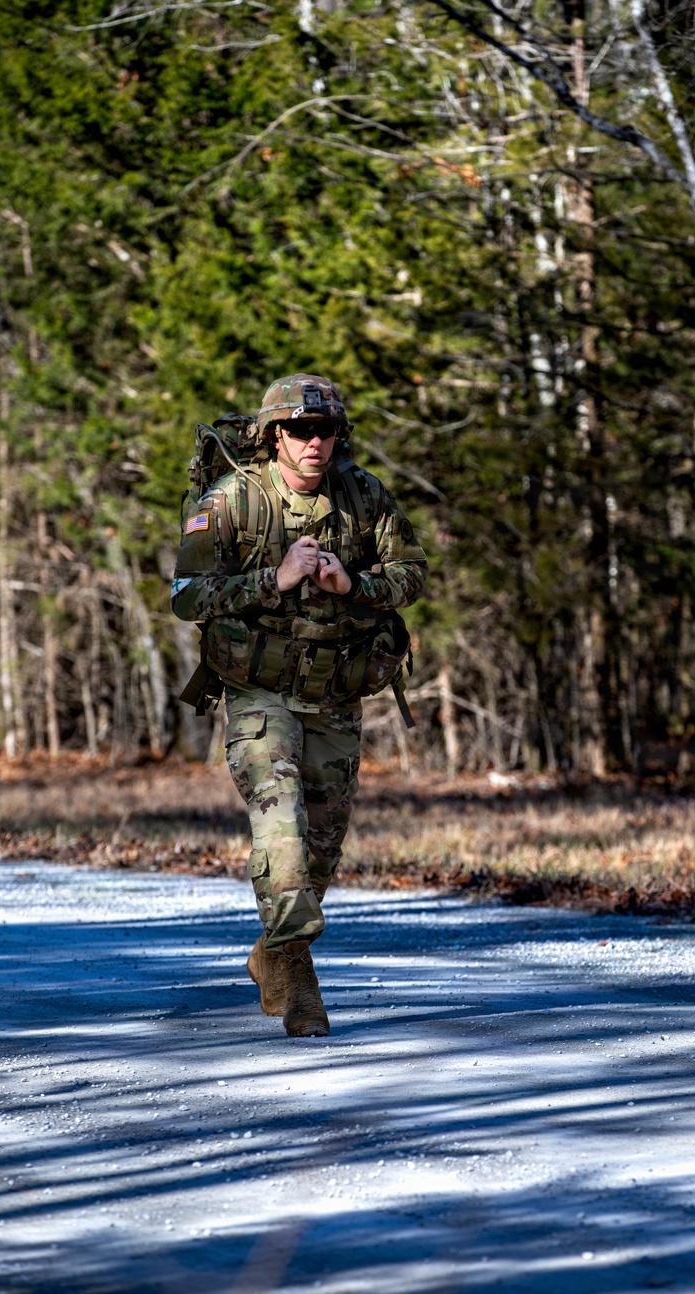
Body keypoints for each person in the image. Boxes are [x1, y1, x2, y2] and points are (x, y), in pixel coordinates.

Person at [171, 375, 427, 1037]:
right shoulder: (231, 500)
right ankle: (303, 986)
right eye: (299, 431)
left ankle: (273, 955)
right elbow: (185, 596)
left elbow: (413, 574)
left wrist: (355, 583)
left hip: (337, 694)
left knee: (320, 852)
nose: (314, 443)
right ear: (273, 436)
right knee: (279, 820)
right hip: (259, 694)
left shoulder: (364, 496)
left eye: (325, 431)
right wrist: (273, 579)